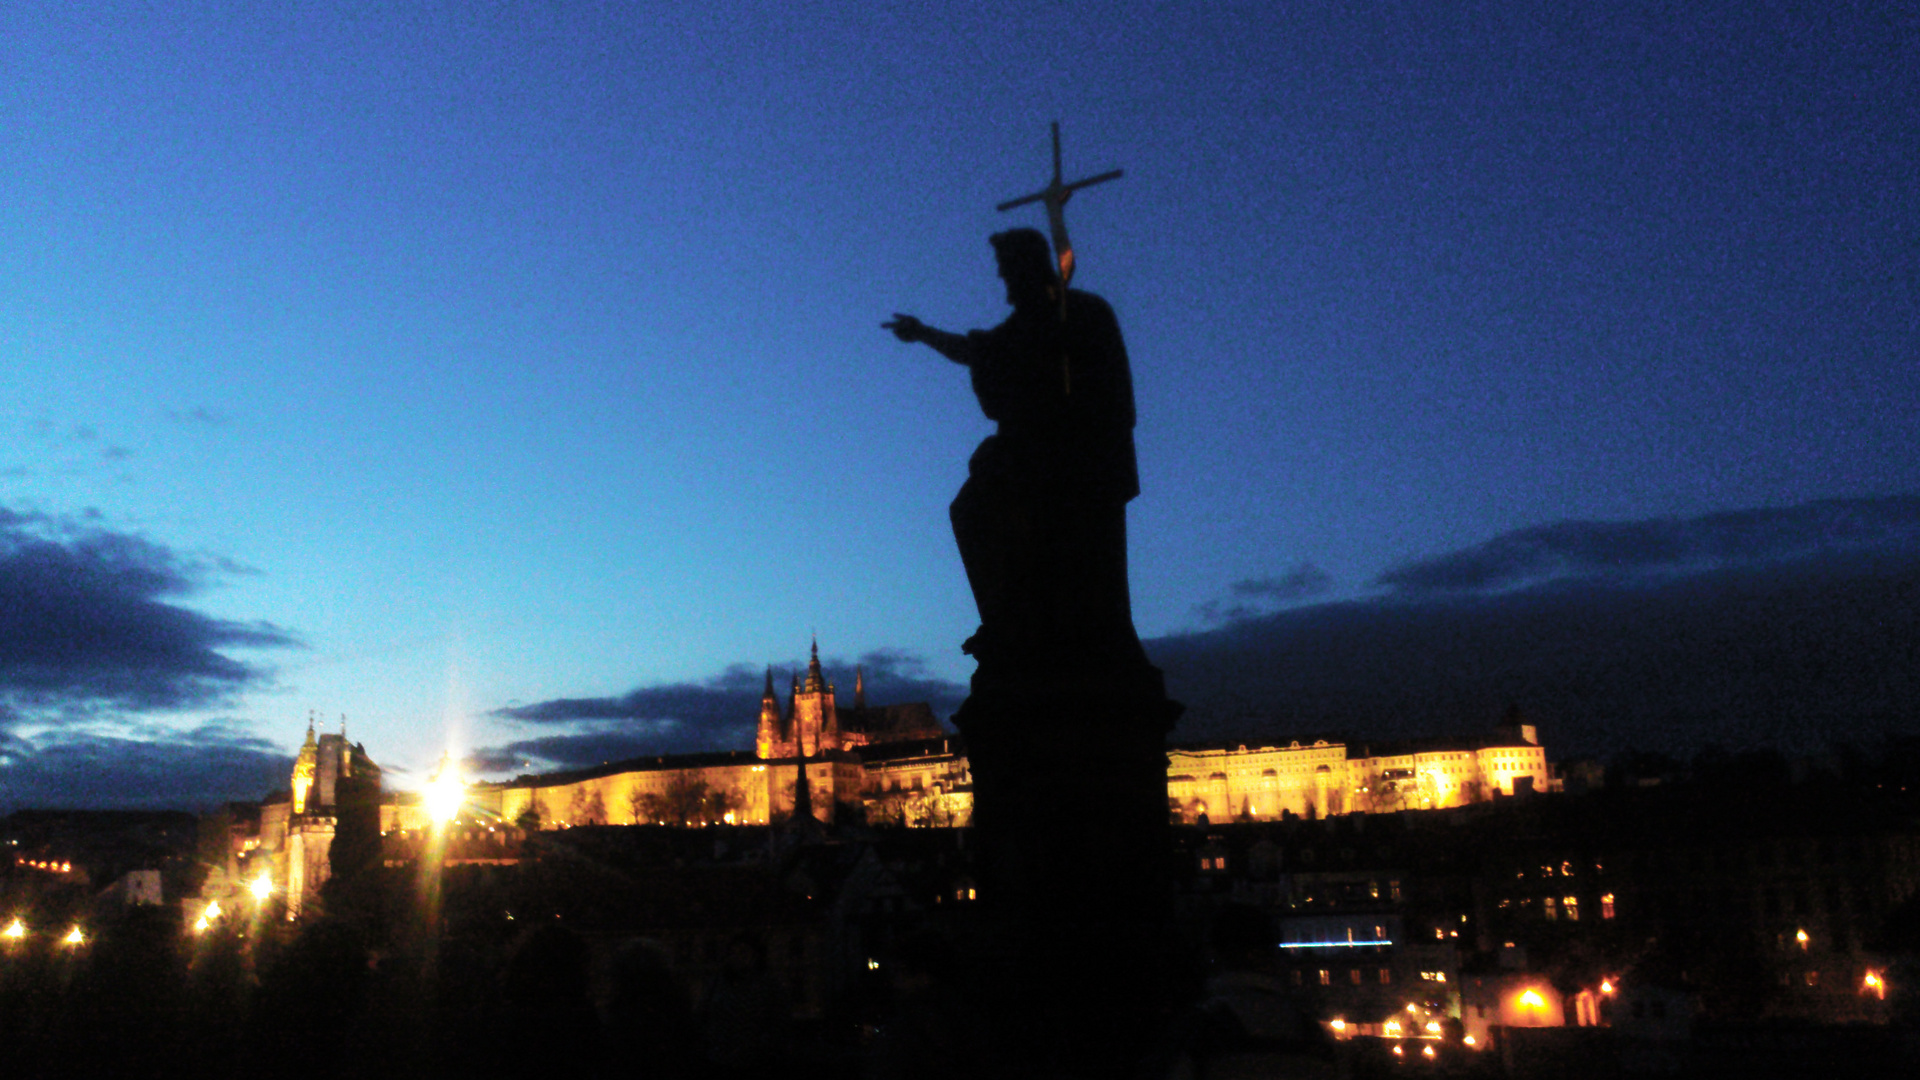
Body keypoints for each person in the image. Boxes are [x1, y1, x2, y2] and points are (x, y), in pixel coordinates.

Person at [885, 228, 1147, 682]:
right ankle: (1006, 621)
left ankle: (1029, 627)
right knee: (971, 511)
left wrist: (1071, 421)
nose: (1004, 284)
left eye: (1008, 273)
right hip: (1026, 453)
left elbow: (1111, 394)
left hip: (1070, 456)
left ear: (1029, 269)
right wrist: (924, 333)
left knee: (1015, 523)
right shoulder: (1023, 325)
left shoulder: (1082, 312)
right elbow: (975, 351)